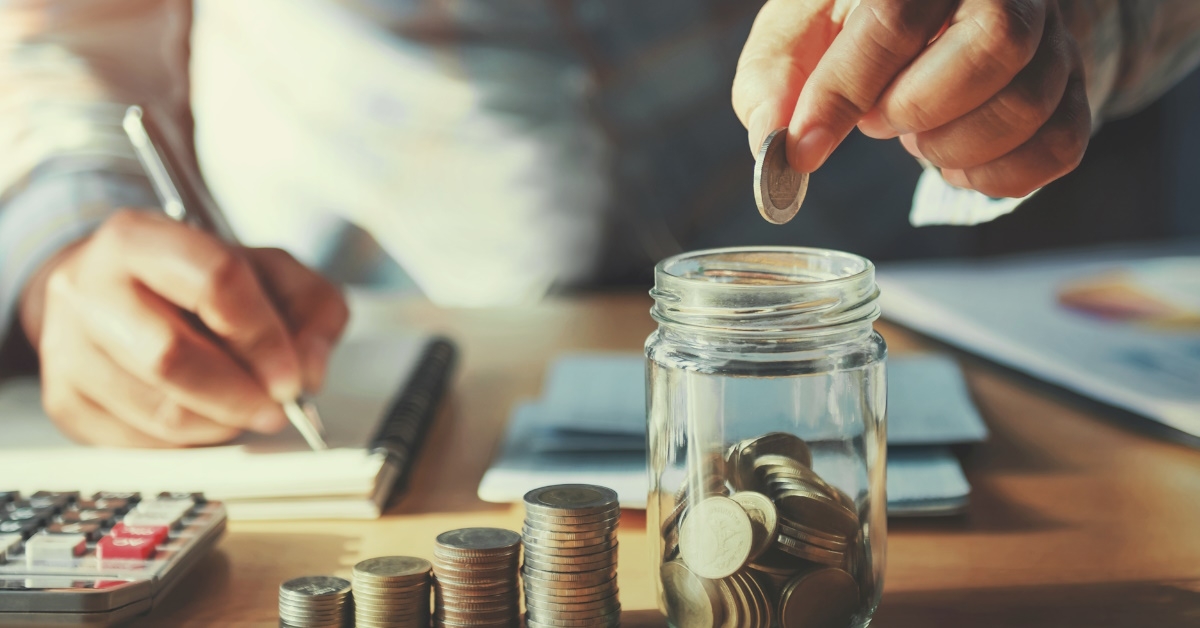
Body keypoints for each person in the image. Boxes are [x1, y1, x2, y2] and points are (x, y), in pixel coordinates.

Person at [2, 0, 1199, 447]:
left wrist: (1054, 30)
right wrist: (69, 239)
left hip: (932, 287)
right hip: (367, 349)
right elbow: (73, 28)